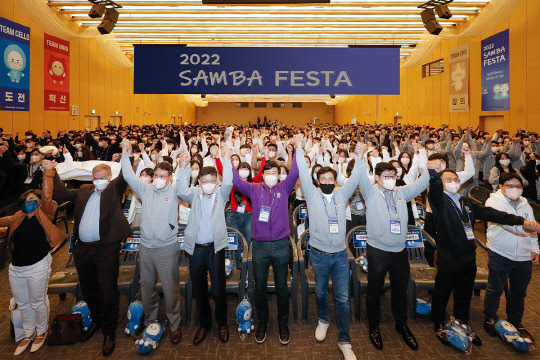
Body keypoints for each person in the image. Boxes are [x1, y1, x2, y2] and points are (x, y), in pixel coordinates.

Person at [428, 169, 540, 347]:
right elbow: (433, 187)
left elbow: (492, 214)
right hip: (448, 257)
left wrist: (521, 221)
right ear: (441, 183)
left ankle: (463, 323)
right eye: (448, 179)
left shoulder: (466, 201)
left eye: (456, 179)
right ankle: (439, 323)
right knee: (442, 291)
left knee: (464, 294)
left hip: (468, 257)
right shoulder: (439, 201)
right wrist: (433, 173)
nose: (453, 182)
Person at [50, 160, 132, 357]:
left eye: (102, 178)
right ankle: (97, 320)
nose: (98, 182)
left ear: (109, 178)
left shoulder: (114, 190)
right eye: (95, 179)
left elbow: (124, 177)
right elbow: (60, 194)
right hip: (83, 249)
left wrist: (128, 154)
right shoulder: (84, 191)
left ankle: (109, 332)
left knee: (108, 289)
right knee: (89, 289)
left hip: (106, 249)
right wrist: (51, 171)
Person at [294, 135, 363, 360]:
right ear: (317, 181)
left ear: (335, 180)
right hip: (320, 255)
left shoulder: (342, 194)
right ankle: (323, 319)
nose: (326, 181)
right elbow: (303, 173)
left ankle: (345, 341)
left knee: (343, 298)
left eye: (330, 178)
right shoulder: (312, 194)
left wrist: (359, 157)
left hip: (341, 255)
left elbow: (354, 178)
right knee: (321, 292)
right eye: (322, 178)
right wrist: (297, 147)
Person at [356, 159, 430, 351]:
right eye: (387, 176)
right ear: (378, 178)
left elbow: (423, 182)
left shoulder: (401, 192)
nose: (391, 179)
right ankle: (374, 327)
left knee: (400, 290)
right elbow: (359, 174)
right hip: (378, 251)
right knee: (374, 291)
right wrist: (359, 156)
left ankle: (401, 324)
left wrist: (423, 160)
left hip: (399, 251)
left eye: (394, 176)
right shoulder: (371, 192)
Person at [232, 149, 299, 345]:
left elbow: (295, 172)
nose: (270, 176)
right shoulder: (254, 188)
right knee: (259, 288)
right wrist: (228, 159)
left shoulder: (284, 188)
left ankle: (283, 323)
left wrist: (297, 149)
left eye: (274, 173)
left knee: (281, 288)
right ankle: (263, 322)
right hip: (259, 246)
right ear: (262, 175)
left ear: (279, 176)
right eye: (267, 173)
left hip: (280, 245)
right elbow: (236, 182)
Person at [120, 139, 182, 344]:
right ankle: (151, 320)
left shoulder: (174, 191)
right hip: (146, 247)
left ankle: (174, 324)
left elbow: (185, 183)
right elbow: (128, 175)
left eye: (162, 176)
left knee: (170, 288)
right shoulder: (145, 190)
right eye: (155, 175)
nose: (158, 179)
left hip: (167, 248)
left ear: (170, 178)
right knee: (146, 288)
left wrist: (185, 164)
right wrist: (126, 154)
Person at [0, 160, 65, 355]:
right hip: (16, 268)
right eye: (26, 199)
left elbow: (47, 196)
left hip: (37, 265)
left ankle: (41, 332)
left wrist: (48, 173)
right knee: (23, 303)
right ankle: (28, 333)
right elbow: (2, 221)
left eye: (33, 199)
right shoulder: (18, 217)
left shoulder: (44, 213)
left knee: (37, 301)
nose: (29, 202)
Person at [176, 148, 234, 346]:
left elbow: (229, 182)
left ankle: (222, 323)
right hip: (196, 250)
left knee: (218, 290)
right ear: (199, 182)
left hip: (215, 249)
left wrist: (226, 160)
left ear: (216, 181)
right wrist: (183, 168)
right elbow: (181, 190)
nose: (208, 184)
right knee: (199, 289)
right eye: (204, 181)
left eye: (212, 181)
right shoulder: (194, 195)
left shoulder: (221, 194)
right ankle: (204, 324)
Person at [483, 172, 539, 341]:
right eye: (510, 186)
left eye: (518, 186)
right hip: (501, 252)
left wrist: (535, 249)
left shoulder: (525, 204)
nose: (515, 190)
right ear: (501, 186)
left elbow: (534, 230)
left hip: (523, 255)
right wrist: (529, 227)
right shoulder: (493, 201)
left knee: (519, 292)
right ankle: (490, 317)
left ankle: (515, 321)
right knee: (495, 288)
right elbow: (508, 224)